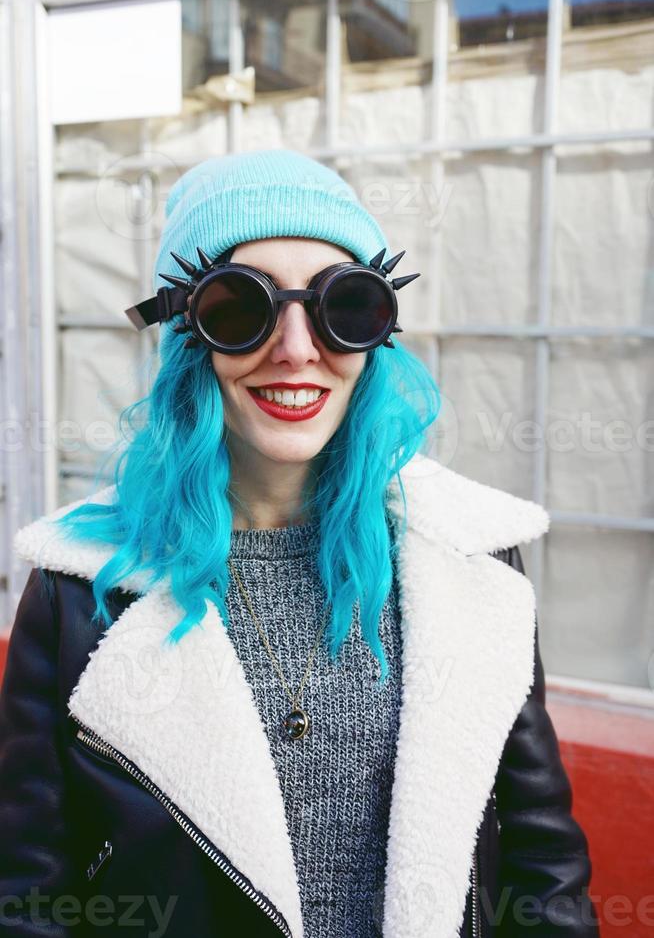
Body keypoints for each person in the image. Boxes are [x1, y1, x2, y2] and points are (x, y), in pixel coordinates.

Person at [0, 148, 599, 937]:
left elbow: (544, 871)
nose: (295, 349)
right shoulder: (80, 590)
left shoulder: (469, 559)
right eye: (240, 308)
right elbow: (30, 897)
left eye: (341, 306)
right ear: (185, 335)